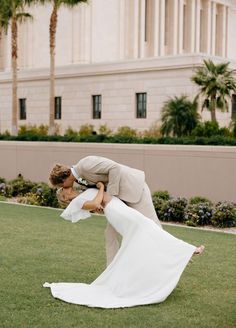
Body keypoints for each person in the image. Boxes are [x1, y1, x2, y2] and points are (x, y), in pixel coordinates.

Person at [43, 183, 204, 309]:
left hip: (118, 207)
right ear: (64, 197)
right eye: (63, 190)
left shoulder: (81, 193)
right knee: (147, 228)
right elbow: (95, 203)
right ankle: (187, 250)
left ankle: (183, 252)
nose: (66, 188)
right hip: (116, 211)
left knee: (146, 231)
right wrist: (100, 188)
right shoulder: (77, 202)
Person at [49, 156, 162, 266]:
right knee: (110, 234)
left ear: (63, 180)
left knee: (152, 225)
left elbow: (114, 168)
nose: (63, 188)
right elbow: (98, 192)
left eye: (61, 186)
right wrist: (102, 205)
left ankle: (165, 255)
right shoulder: (79, 181)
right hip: (120, 200)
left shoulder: (86, 164)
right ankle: (112, 270)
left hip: (134, 189)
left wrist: (110, 197)